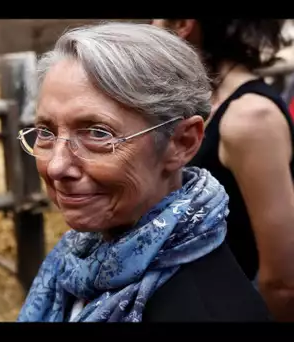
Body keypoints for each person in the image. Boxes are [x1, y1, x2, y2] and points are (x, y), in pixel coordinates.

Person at [15, 22, 271, 322]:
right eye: (46, 131)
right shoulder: (80, 259)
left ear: (181, 142)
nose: (57, 166)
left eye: (98, 134)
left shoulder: (205, 309)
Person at [151, 19, 294, 321]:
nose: (152, 27)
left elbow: (283, 280)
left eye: (157, 18)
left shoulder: (251, 117)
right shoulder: (200, 105)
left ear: (182, 24)